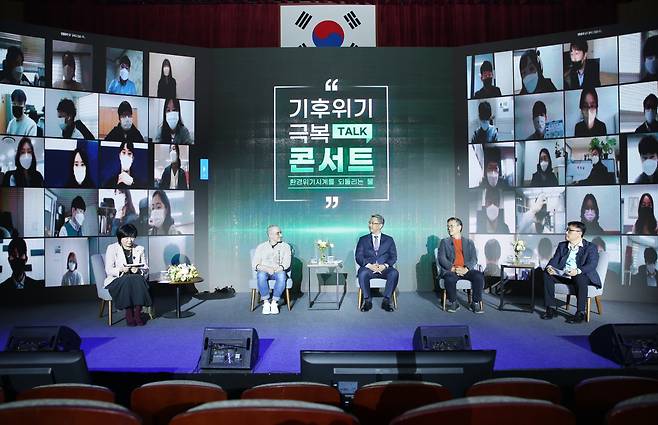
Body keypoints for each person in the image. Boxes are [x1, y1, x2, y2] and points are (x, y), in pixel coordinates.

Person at [541, 221, 601, 323]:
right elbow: (555, 259)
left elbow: (592, 265)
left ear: (579, 233)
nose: (566, 233)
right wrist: (550, 267)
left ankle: (580, 313)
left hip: (581, 275)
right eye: (567, 230)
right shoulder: (562, 245)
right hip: (564, 275)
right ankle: (550, 308)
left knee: (579, 277)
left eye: (569, 230)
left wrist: (577, 271)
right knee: (546, 274)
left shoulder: (590, 247)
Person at [103, 223, 151, 326]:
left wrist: (138, 270)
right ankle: (129, 313)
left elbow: (146, 268)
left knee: (136, 277)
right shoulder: (112, 248)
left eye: (132, 237)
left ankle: (137, 313)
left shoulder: (140, 249)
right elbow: (109, 270)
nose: (129, 240)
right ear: (120, 237)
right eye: (126, 237)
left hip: (136, 280)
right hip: (117, 281)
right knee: (128, 279)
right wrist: (121, 270)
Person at [437, 217, 485, 313]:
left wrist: (466, 268)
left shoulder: (469, 242)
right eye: (448, 226)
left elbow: (474, 259)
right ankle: (454, 303)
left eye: (451, 226)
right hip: (452, 270)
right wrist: (453, 268)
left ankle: (474, 303)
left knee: (478, 276)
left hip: (466, 270)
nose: (449, 228)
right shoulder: (444, 242)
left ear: (459, 227)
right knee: (449, 279)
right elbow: (441, 258)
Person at [355, 214, 399, 312]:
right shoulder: (363, 239)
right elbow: (358, 256)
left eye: (373, 223)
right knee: (362, 273)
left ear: (380, 225)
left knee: (394, 273)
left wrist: (384, 266)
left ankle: (386, 301)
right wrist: (369, 265)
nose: (370, 225)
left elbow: (393, 257)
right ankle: (367, 301)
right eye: (369, 223)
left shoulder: (389, 240)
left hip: (384, 269)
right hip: (368, 268)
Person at [251, 224, 292, 315]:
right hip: (264, 271)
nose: (281, 235)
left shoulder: (286, 246)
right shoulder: (261, 247)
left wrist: (277, 269)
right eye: (278, 233)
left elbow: (286, 263)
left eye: (281, 233)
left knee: (281, 275)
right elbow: (255, 264)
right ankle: (266, 303)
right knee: (261, 274)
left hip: (278, 271)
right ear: (270, 235)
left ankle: (274, 302)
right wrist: (266, 268)